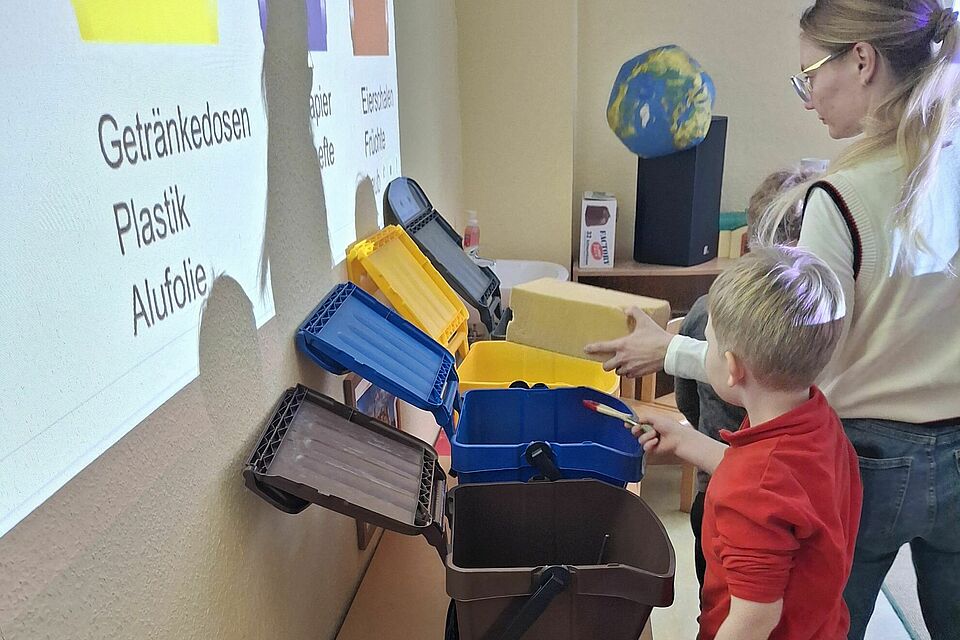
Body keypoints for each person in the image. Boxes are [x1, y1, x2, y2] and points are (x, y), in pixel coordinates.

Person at [586, 2, 960, 638]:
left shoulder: (840, 196)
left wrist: (672, 350)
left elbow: (782, 351)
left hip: (871, 452)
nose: (808, 96)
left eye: (810, 74)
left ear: (862, 61)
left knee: (826, 612)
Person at [636, 245, 860, 640]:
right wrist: (684, 440)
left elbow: (754, 619)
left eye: (709, 343)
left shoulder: (752, 490)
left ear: (732, 368)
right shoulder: (816, 419)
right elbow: (774, 486)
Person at [677, 164, 821, 595]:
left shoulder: (749, 500)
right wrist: (681, 440)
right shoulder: (822, 425)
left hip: (717, 502)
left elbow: (751, 617)